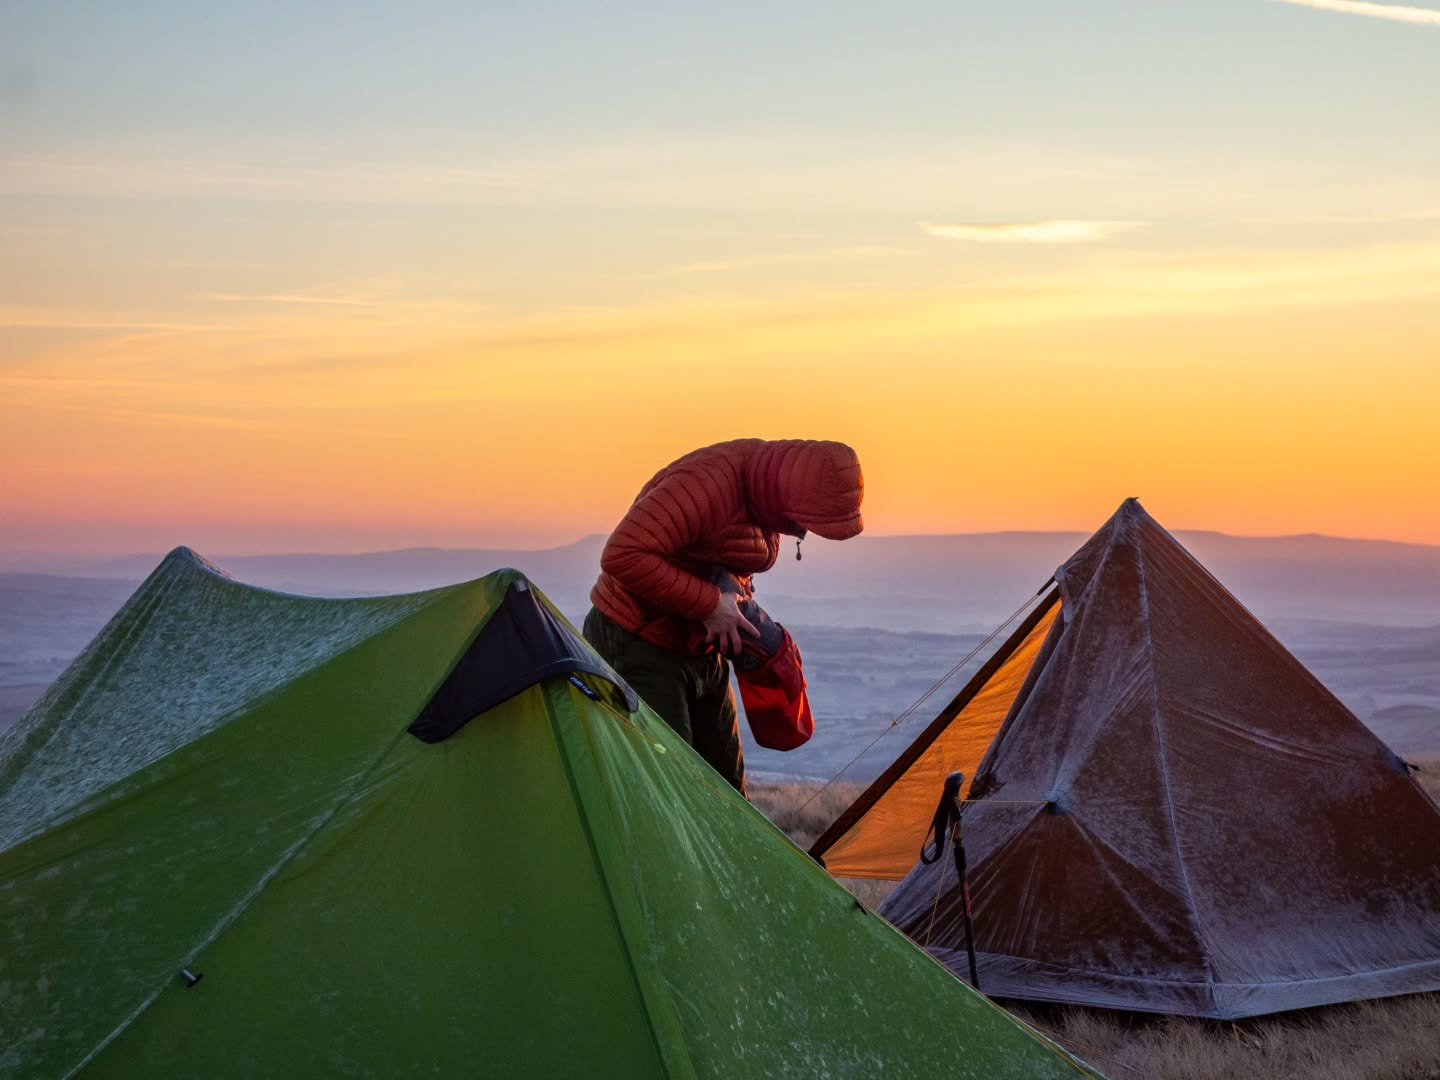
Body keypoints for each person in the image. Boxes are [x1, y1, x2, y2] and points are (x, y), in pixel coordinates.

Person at [583, 438, 864, 795]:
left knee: (726, 787)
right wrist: (711, 605)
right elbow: (622, 555)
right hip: (636, 643)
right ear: (793, 494)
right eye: (805, 520)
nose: (805, 531)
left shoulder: (764, 496)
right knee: (672, 785)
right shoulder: (706, 484)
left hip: (699, 647)